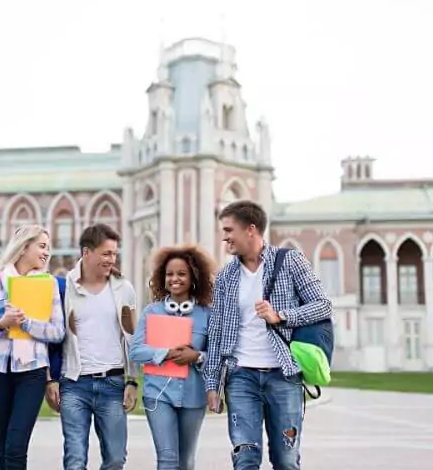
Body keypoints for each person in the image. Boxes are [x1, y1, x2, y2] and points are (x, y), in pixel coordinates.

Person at [204, 200, 332, 470]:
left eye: (229, 229)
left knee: (285, 460)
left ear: (250, 229)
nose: (225, 236)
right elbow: (215, 332)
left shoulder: (289, 261)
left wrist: (281, 315)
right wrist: (212, 384)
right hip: (240, 378)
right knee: (245, 459)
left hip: (283, 375)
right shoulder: (225, 276)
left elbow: (323, 305)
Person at [45, 223, 138, 470]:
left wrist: (132, 381)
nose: (112, 259)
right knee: (75, 460)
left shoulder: (124, 289)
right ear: (87, 253)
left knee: (116, 459)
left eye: (114, 253)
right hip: (74, 385)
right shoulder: (64, 289)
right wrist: (50, 379)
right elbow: (53, 338)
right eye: (106, 253)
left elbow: (132, 336)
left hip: (113, 384)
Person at [0, 225, 65, 470]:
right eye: (42, 246)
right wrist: (3, 324)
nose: (47, 253)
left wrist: (27, 324)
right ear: (24, 247)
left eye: (49, 247)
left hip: (32, 374)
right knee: (3, 450)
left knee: (16, 447)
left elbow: (58, 332)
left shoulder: (49, 284)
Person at [129, 244, 216, 470]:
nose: (174, 279)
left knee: (185, 461)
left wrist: (196, 356)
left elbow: (217, 356)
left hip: (194, 396)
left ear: (194, 277)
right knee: (167, 459)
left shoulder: (207, 314)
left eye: (181, 274)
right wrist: (166, 353)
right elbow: (135, 351)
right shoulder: (151, 312)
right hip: (158, 395)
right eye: (169, 274)